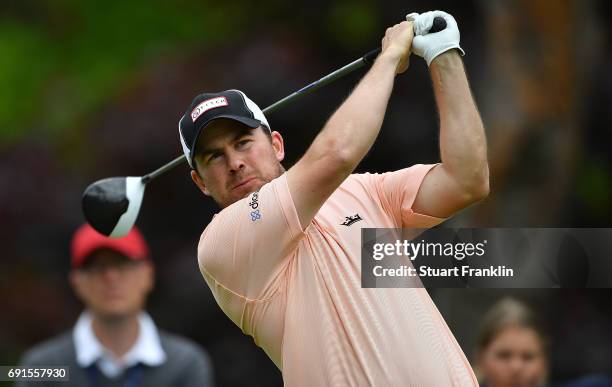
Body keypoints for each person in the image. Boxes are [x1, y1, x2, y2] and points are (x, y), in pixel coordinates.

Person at [178, 10, 488, 386]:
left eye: (243, 143)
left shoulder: (360, 191)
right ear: (201, 183)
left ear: (276, 144)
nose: (235, 163)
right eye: (214, 156)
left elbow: (467, 180)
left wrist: (443, 55)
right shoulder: (222, 243)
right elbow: (337, 153)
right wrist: (390, 57)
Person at [18, 224, 215, 387]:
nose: (111, 277)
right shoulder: (41, 367)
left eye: (123, 264)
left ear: (147, 275)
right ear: (76, 282)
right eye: (97, 267)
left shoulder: (185, 363)